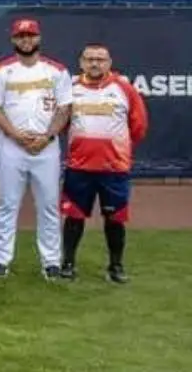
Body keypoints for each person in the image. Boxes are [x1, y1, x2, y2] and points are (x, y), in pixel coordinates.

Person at [0, 18, 72, 280]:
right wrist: (15, 134)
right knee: (8, 204)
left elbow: (64, 108)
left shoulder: (56, 71)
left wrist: (47, 135)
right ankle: (1, 260)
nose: (26, 40)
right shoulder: (1, 70)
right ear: (13, 40)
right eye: (21, 36)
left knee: (48, 206)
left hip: (46, 147)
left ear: (38, 38)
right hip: (12, 145)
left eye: (30, 36)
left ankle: (51, 262)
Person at [60, 43, 148, 284]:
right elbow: (61, 121)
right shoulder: (70, 88)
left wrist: (119, 150)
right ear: (81, 63)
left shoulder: (124, 89)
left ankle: (116, 266)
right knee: (74, 218)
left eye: (100, 59)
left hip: (113, 170)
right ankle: (68, 263)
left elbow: (138, 126)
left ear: (109, 63)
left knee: (115, 219)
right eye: (90, 59)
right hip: (79, 167)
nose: (95, 63)